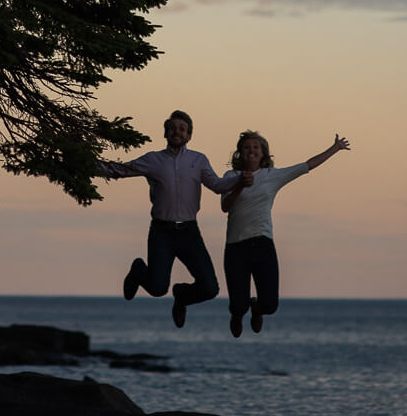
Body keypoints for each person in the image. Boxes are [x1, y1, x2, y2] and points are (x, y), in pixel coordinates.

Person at [96, 110, 247, 328]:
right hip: (161, 232)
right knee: (157, 289)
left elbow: (217, 186)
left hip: (189, 233)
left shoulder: (198, 160)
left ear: (189, 135)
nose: (177, 132)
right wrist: (83, 163)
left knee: (210, 289)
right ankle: (138, 270)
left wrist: (241, 180)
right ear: (166, 133)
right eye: (173, 128)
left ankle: (182, 296)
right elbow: (119, 170)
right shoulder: (153, 160)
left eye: (182, 129)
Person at [221, 129, 350, 337]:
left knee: (270, 305)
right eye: (246, 147)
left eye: (255, 147)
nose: (251, 150)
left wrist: (335, 148)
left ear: (263, 153)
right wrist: (239, 186)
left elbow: (307, 165)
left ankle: (257, 309)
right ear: (239, 153)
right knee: (237, 306)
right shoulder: (230, 177)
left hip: (263, 245)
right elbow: (225, 206)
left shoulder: (273, 176)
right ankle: (238, 315)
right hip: (236, 248)